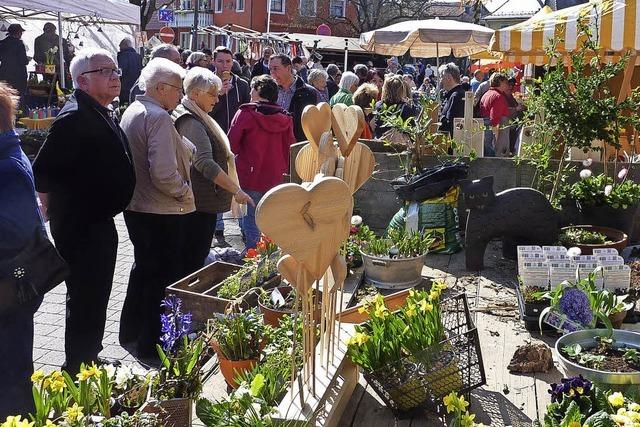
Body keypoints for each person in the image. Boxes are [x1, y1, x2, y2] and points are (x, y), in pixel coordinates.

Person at [32, 48, 136, 374]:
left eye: (115, 70)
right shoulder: (74, 116)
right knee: (86, 296)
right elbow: (42, 171)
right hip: (82, 226)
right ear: (83, 81)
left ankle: (89, 355)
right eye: (106, 71)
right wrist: (53, 208)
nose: (115, 76)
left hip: (96, 222)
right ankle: (77, 367)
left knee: (96, 294)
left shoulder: (98, 109)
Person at [118, 58, 194, 358]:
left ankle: (132, 333)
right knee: (160, 278)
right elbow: (163, 173)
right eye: (178, 89)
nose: (180, 95)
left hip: (139, 207)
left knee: (143, 273)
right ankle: (151, 343)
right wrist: (184, 190)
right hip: (161, 210)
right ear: (161, 88)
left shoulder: (135, 110)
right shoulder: (158, 116)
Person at [173, 68, 253, 271]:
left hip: (201, 201)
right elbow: (204, 163)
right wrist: (236, 190)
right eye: (212, 94)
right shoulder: (191, 121)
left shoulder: (196, 114)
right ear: (194, 93)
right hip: (199, 203)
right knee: (194, 256)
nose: (217, 100)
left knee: (196, 253)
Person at [0, 82, 45, 419]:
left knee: (12, 376)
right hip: (12, 285)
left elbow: (21, 234)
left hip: (10, 287)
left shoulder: (7, 167)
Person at [228, 75, 296, 249]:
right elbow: (291, 147)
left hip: (249, 174)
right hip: (276, 175)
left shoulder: (245, 113)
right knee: (270, 219)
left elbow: (231, 145)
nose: (250, 92)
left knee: (250, 217)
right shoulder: (285, 117)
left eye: (252, 88)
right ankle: (267, 256)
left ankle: (253, 257)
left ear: (258, 91)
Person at [270, 53, 317, 142]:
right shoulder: (269, 90)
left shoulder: (308, 92)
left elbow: (313, 123)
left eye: (275, 68)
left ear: (288, 68)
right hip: (273, 145)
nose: (272, 73)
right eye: (270, 69)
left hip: (296, 146)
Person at [373, 74, 420, 139]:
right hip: (399, 145)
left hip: (379, 142)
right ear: (401, 90)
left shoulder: (378, 105)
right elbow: (412, 131)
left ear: (385, 89)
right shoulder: (406, 108)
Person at [480, 72, 512, 157]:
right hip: (495, 130)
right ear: (500, 82)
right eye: (506, 82)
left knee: (487, 154)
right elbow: (495, 118)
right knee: (495, 158)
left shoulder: (486, 94)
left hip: (485, 128)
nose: (507, 85)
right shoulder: (498, 96)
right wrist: (496, 141)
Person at [0, 24, 29, 96]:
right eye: (21, 32)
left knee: (5, 96)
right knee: (18, 96)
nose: (21, 34)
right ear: (18, 33)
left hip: (4, 73)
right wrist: (27, 60)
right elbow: (23, 60)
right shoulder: (19, 43)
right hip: (18, 75)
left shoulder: (2, 43)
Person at [438, 63, 466, 138]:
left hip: (453, 143)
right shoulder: (454, 94)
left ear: (449, 77)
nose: (440, 81)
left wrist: (439, 115)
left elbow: (451, 123)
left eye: (441, 77)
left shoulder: (457, 96)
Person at [117, 37, 142, 106]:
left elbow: (121, 71)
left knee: (124, 106)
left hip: (124, 88)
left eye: (120, 45)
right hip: (136, 87)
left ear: (125, 45)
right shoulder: (138, 56)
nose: (119, 47)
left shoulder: (122, 56)